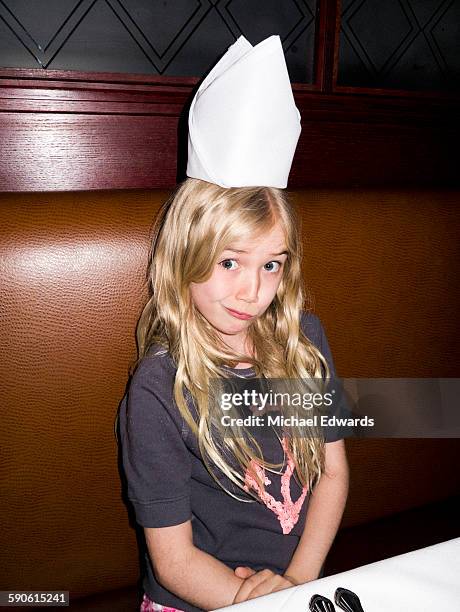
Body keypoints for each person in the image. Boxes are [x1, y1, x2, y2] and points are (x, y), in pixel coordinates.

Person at [118, 177, 349, 612]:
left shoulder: (305, 342)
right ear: (185, 256)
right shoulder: (157, 388)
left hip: (298, 580)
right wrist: (254, 602)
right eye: (229, 263)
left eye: (271, 265)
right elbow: (174, 562)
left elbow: (332, 474)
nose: (253, 292)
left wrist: (296, 582)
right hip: (194, 597)